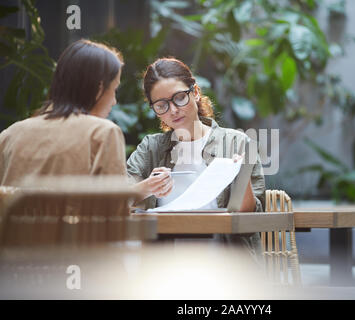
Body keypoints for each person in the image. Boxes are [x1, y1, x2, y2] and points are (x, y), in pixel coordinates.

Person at [127, 57, 266, 260]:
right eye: (161, 105)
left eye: (180, 98)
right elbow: (115, 200)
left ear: (196, 92)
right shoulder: (152, 148)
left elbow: (251, 222)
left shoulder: (236, 142)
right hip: (164, 267)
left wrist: (240, 175)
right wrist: (148, 187)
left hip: (226, 265)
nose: (173, 110)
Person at [0, 39, 126, 186]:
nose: (114, 101)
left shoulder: (9, 135)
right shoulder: (103, 134)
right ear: (99, 89)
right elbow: (114, 206)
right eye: (114, 89)